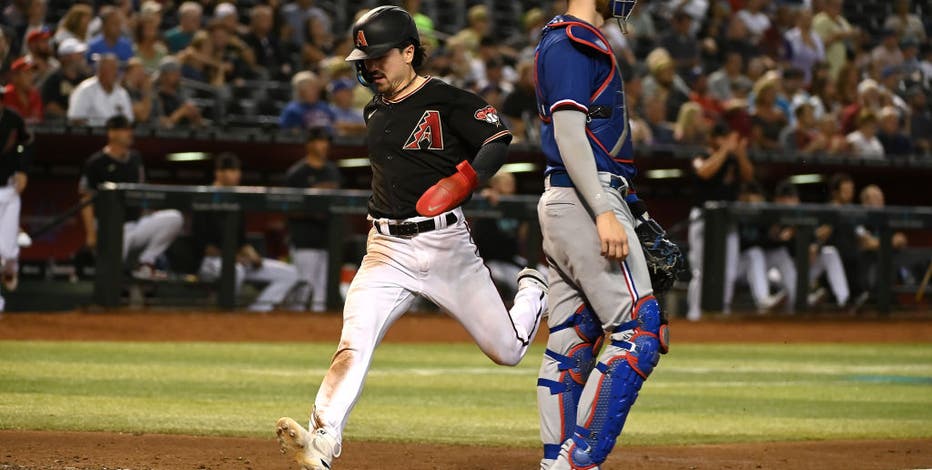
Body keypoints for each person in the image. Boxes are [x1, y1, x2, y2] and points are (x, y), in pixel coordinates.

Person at [275, 8, 547, 469]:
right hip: (386, 248)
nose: (370, 65)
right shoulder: (374, 108)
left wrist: (466, 179)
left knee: (507, 351)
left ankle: (533, 289)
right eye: (365, 57)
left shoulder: (446, 98)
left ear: (408, 52)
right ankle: (321, 442)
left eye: (379, 55)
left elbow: (499, 136)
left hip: (447, 249)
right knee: (354, 342)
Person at [532, 1, 672, 468]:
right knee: (638, 335)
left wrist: (630, 209)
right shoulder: (573, 40)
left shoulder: (567, 38)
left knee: (571, 343)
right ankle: (576, 462)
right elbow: (570, 134)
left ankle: (557, 458)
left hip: (572, 200)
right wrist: (604, 212)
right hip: (584, 199)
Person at [193, 153, 302, 312]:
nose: (237, 175)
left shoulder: (237, 199)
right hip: (210, 262)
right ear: (219, 173)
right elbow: (202, 245)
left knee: (289, 273)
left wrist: (253, 255)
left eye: (237, 170)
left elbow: (242, 241)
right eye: (231, 170)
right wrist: (231, 257)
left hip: (237, 261)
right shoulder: (205, 198)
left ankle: (255, 312)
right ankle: (224, 312)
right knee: (234, 271)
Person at [79, 115, 183, 280]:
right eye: (125, 129)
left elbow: (143, 191)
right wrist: (91, 234)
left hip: (135, 224)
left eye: (130, 129)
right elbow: (86, 199)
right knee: (112, 273)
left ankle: (146, 262)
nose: (130, 133)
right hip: (110, 228)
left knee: (174, 218)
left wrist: (148, 211)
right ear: (112, 133)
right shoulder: (96, 162)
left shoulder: (135, 158)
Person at [687, 123, 754, 320]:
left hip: (727, 220)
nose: (728, 142)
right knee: (701, 270)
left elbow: (748, 175)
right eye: (723, 138)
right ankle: (695, 314)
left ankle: (721, 312)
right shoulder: (701, 154)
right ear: (713, 139)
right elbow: (704, 172)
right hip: (703, 219)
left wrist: (740, 152)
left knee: (729, 271)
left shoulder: (733, 160)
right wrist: (725, 149)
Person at [285, 127, 343, 312]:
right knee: (302, 292)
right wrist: (313, 211)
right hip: (304, 240)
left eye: (326, 141)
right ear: (309, 144)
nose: (324, 145)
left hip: (327, 239)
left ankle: (315, 334)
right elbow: (289, 209)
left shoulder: (332, 171)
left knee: (322, 295)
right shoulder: (297, 173)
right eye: (319, 141)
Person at [0, 87, 33, 311]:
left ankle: (12, 265)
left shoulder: (12, 119)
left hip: (9, 189)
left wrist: (22, 169)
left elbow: (25, 144)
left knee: (7, 252)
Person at [67, 54, 133, 126]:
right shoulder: (85, 90)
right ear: (101, 71)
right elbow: (75, 119)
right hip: (90, 135)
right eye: (112, 69)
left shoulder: (122, 93)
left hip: (115, 135)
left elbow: (129, 120)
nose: (116, 73)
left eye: (116, 69)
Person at [41, 38, 89, 119]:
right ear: (67, 57)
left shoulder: (85, 79)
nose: (82, 57)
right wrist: (72, 117)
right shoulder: (53, 80)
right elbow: (50, 107)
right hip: (59, 127)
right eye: (78, 54)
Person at [2, 57, 43, 124]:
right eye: (27, 73)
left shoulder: (35, 95)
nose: (31, 77)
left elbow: (37, 119)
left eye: (32, 73)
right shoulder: (5, 94)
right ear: (15, 76)